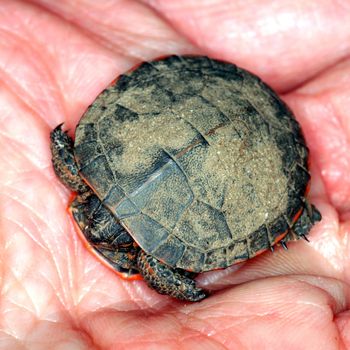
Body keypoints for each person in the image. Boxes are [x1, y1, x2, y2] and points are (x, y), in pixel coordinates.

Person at [1, 0, 349, 348]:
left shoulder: (143, 252)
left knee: (156, 267)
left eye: (99, 218)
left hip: (244, 137)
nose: (96, 225)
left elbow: (68, 153)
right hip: (206, 101)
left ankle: (292, 213)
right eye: (107, 225)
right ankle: (290, 214)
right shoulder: (95, 191)